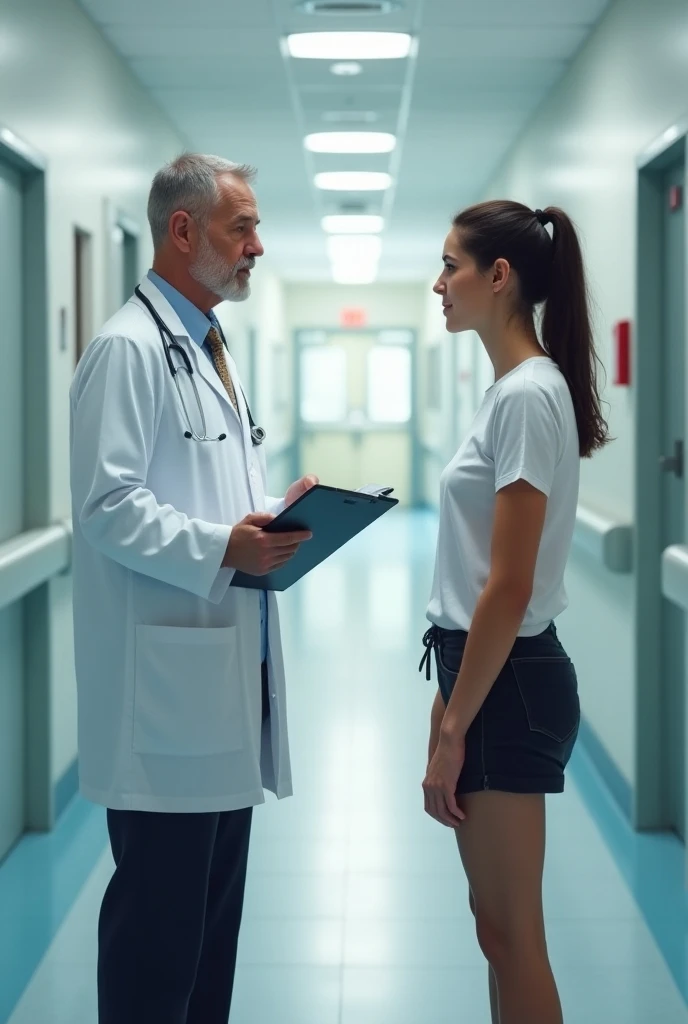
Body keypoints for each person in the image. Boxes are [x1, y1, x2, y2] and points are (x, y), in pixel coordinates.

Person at [69, 153, 318, 1024]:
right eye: (241, 226)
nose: (258, 245)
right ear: (183, 231)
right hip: (165, 711)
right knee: (156, 961)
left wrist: (270, 518)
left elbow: (196, 487)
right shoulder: (127, 350)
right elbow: (106, 508)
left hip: (218, 701)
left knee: (208, 959)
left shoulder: (209, 345)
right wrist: (225, 547)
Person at [419, 201, 609, 1024]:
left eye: (451, 266)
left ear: (500, 278)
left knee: (513, 936)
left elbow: (509, 584)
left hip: (508, 682)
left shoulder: (528, 395)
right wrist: (446, 708)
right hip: (483, 669)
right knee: (494, 928)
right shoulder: (514, 390)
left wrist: (456, 727)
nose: (439, 284)